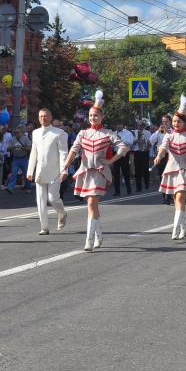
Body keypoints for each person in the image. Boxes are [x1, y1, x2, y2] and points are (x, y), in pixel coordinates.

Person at [59, 90, 129, 251]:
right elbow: (74, 149)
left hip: (99, 171)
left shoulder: (107, 133)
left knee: (91, 204)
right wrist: (65, 164)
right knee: (92, 206)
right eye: (90, 115)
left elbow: (123, 148)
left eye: (96, 115)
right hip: (85, 171)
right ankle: (99, 235)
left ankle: (89, 240)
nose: (93, 118)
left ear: (102, 117)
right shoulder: (83, 133)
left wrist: (110, 161)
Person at [152, 96, 186, 240]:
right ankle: (183, 227)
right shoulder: (168, 136)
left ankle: (175, 228)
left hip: (185, 170)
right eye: (174, 121)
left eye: (178, 121)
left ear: (184, 123)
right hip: (171, 169)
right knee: (176, 199)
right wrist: (159, 156)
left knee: (180, 198)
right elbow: (163, 147)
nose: (176, 123)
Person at [26, 108, 69, 235]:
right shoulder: (35, 133)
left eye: (45, 116)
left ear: (50, 117)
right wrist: (30, 171)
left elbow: (63, 153)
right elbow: (34, 153)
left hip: (55, 172)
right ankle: (44, 227)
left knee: (52, 198)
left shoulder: (58, 133)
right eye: (40, 116)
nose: (43, 119)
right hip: (40, 171)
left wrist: (64, 170)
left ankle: (61, 213)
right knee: (40, 200)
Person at [5, 125, 33, 193]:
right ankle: (10, 187)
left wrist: (23, 148)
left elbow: (30, 148)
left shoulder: (26, 139)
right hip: (15, 158)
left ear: (21, 132)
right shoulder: (13, 139)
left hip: (23, 158)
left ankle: (29, 187)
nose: (16, 134)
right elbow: (7, 149)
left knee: (26, 174)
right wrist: (11, 147)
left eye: (17, 132)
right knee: (14, 173)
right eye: (15, 133)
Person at [112, 122, 135, 196]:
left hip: (124, 153)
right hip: (116, 153)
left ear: (123, 125)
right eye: (117, 124)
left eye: (120, 124)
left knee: (125, 172)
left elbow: (130, 142)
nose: (118, 126)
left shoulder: (127, 133)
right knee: (116, 173)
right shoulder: (114, 133)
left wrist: (120, 139)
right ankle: (117, 191)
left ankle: (129, 189)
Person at [134, 119, 151, 192]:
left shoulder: (147, 132)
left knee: (145, 169)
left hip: (145, 152)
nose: (139, 127)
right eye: (138, 125)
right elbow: (130, 142)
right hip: (137, 152)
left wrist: (148, 143)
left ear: (143, 126)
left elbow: (150, 142)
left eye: (141, 125)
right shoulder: (133, 132)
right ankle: (138, 187)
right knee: (137, 170)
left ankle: (147, 183)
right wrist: (136, 141)